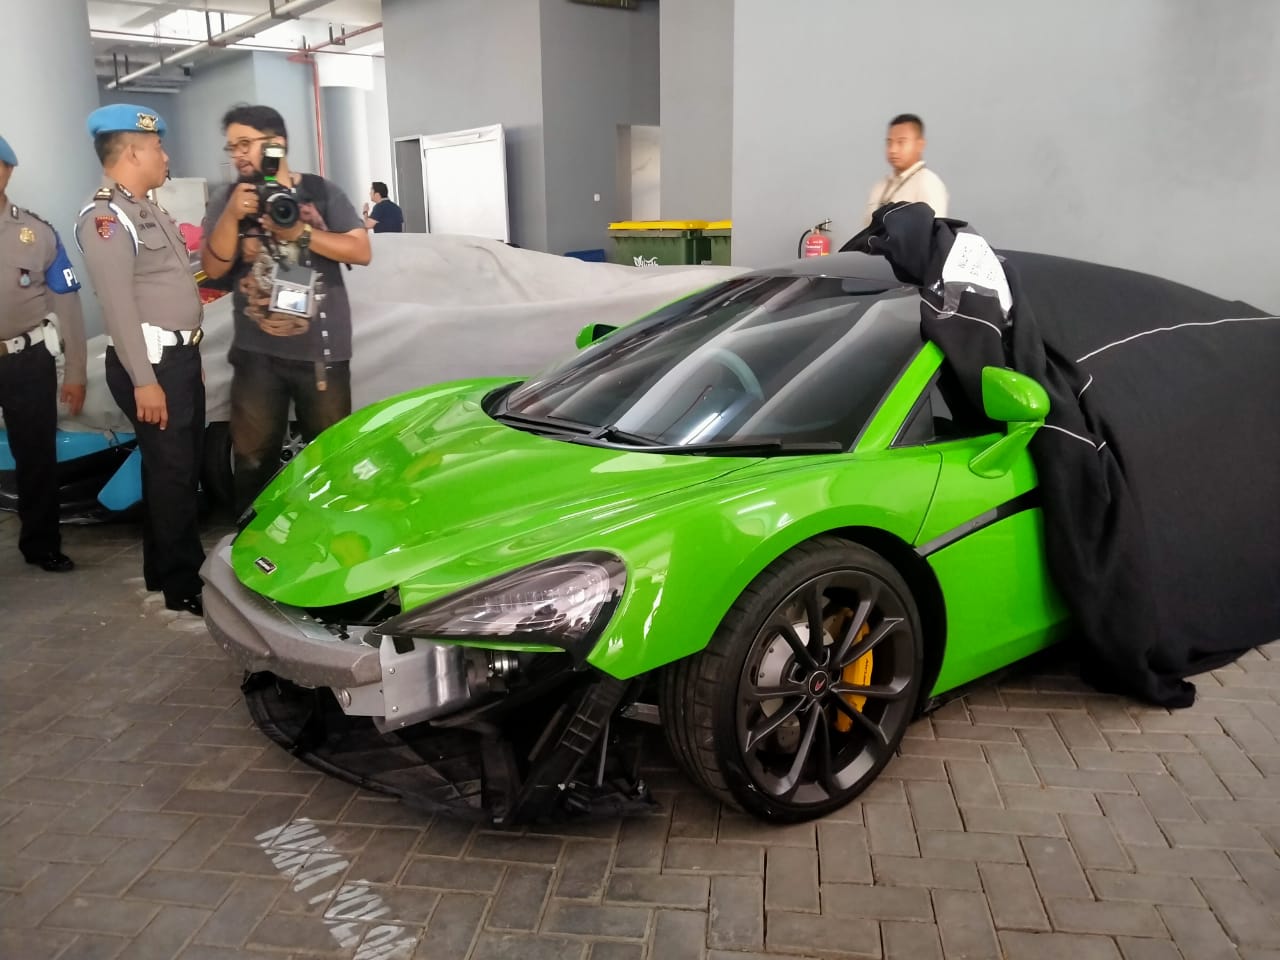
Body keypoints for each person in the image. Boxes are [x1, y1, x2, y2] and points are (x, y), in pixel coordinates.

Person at [200, 105, 371, 515]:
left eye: (246, 144)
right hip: (256, 356)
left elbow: (360, 250)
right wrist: (231, 217)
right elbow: (213, 267)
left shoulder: (321, 192)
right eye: (232, 147)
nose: (238, 154)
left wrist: (301, 232)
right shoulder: (229, 198)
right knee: (253, 461)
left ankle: (326, 549)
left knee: (330, 460)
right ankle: (250, 548)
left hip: (321, 356)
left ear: (276, 145)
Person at [74, 105, 207, 615]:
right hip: (149, 363)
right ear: (132, 151)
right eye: (157, 147)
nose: (165, 155)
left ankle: (163, 570)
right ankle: (184, 585)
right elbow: (118, 305)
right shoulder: (106, 217)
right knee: (173, 472)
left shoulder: (148, 208)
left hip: (175, 358)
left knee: (171, 468)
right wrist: (145, 381)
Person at [0, 134, 88, 572]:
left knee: (36, 457)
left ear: (8, 171)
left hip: (25, 360)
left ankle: (42, 545)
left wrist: (76, 371)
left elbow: (67, 302)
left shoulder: (37, 232)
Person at [864, 113, 949, 225]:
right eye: (889, 143)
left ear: (920, 145)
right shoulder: (880, 186)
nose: (893, 149)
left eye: (901, 142)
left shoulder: (929, 183)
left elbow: (931, 234)